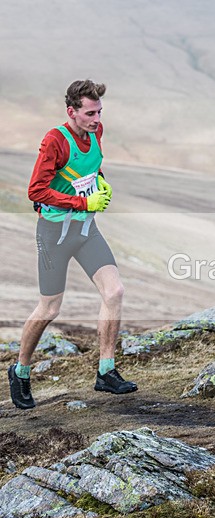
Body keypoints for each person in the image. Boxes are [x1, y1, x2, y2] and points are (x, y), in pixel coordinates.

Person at [8, 80, 137, 410]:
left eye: (99, 112)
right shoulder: (55, 140)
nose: (96, 119)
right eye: (90, 113)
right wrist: (83, 203)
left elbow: (90, 168)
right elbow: (36, 191)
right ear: (72, 112)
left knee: (114, 292)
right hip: (54, 236)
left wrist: (102, 186)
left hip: (86, 231)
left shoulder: (96, 132)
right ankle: (20, 371)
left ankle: (106, 372)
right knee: (50, 309)